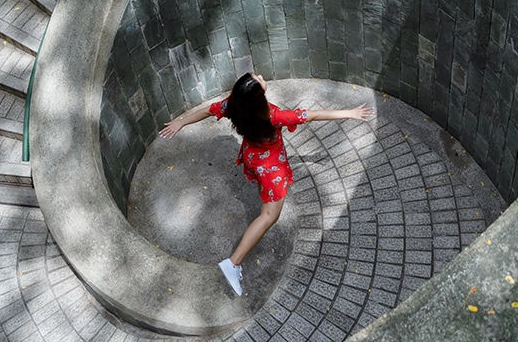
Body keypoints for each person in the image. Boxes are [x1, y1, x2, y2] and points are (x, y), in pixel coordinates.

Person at [158, 73, 374, 295]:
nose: (261, 77)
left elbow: (207, 110)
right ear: (259, 97)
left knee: (268, 210)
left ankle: (234, 261)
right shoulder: (273, 115)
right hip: (271, 170)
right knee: (269, 216)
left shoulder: (234, 105)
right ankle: (233, 263)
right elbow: (312, 115)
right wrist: (350, 113)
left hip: (253, 158)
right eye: (259, 80)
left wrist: (181, 121)